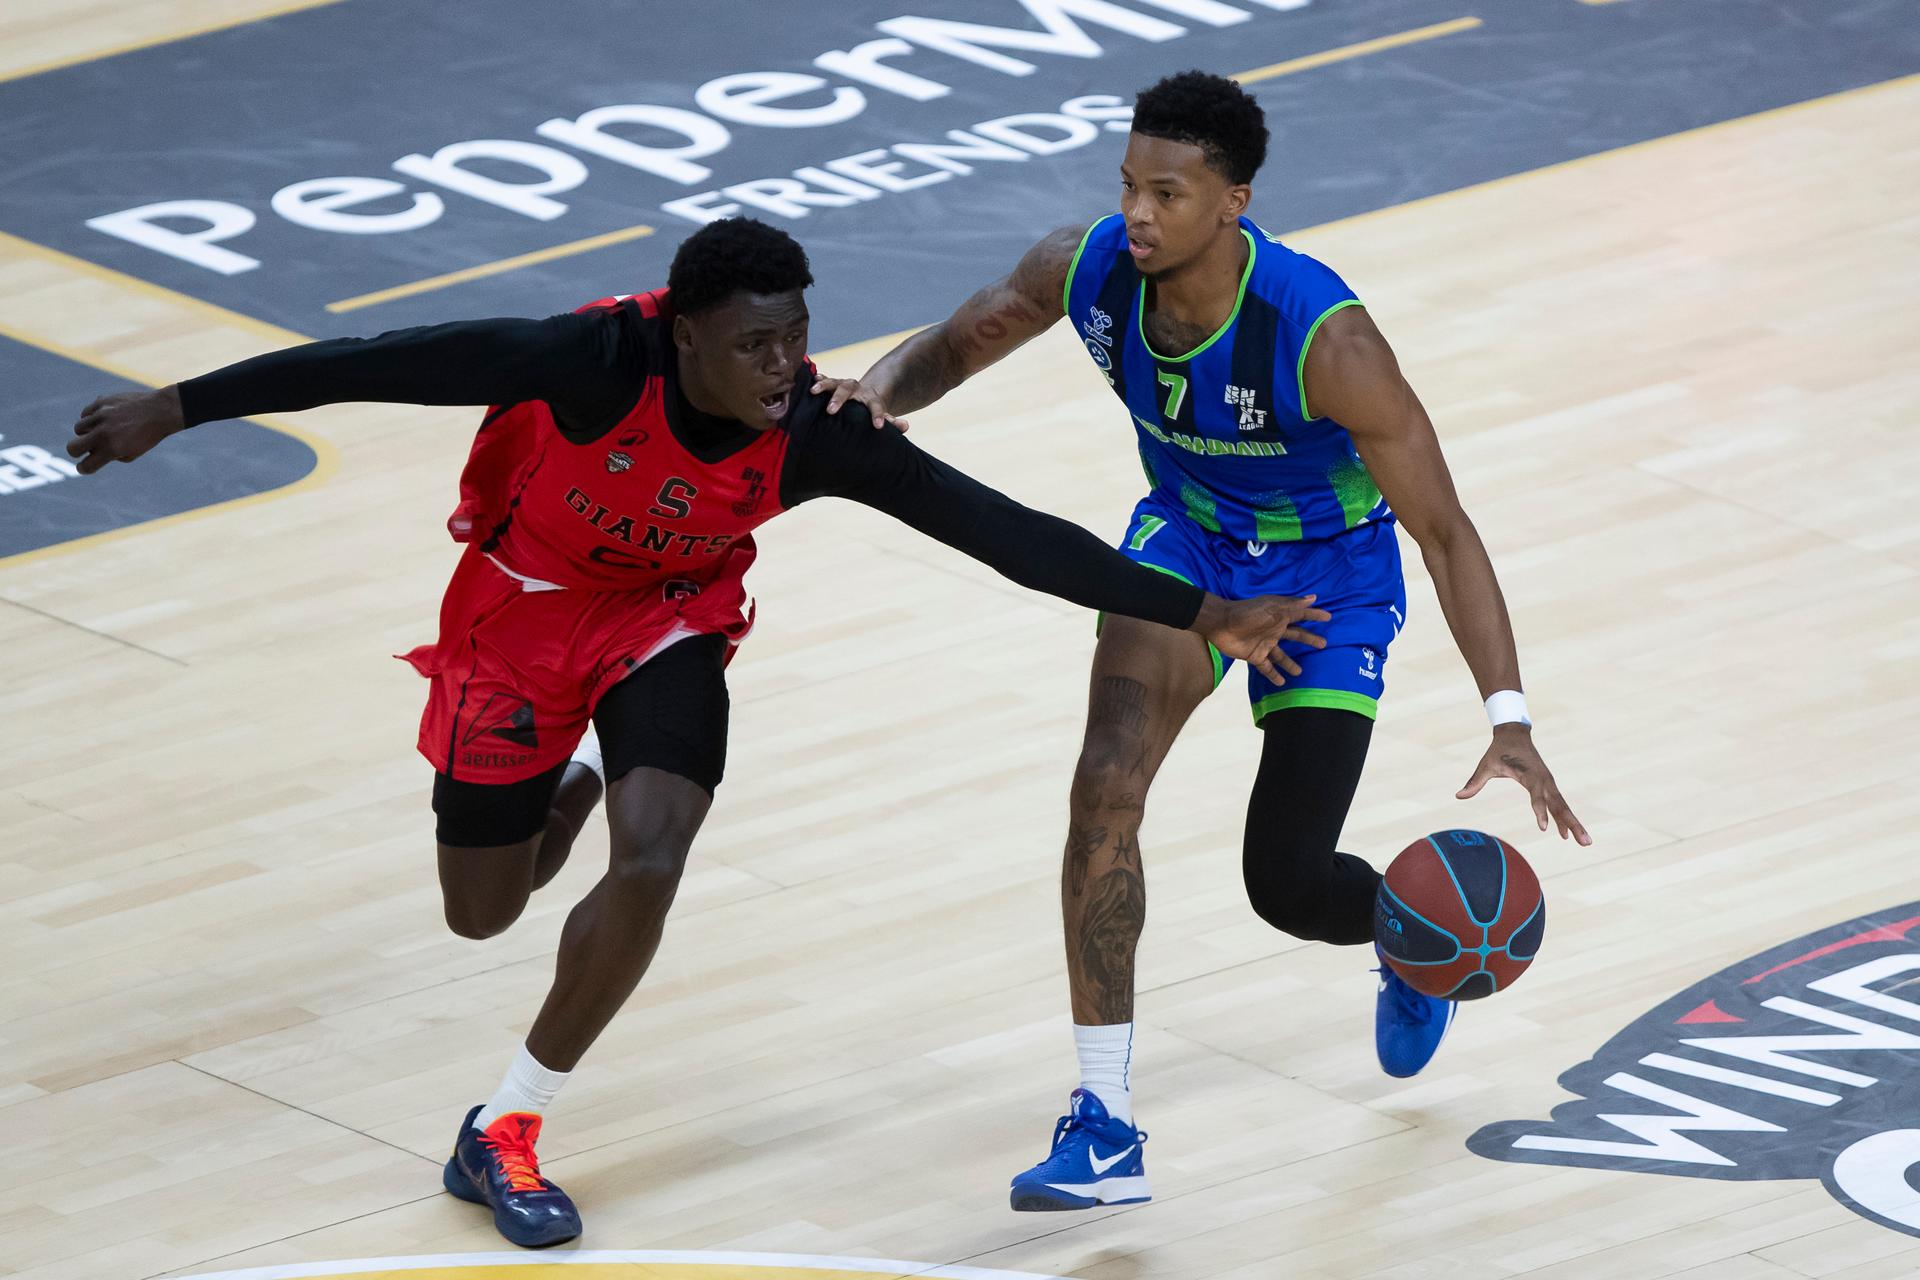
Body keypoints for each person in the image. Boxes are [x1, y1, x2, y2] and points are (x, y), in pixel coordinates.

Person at [67, 217, 1330, 1248]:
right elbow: (375, 359)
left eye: (797, 337)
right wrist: (180, 404)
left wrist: (1205, 607)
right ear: (684, 337)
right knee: (482, 910)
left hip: (665, 623)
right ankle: (560, 781)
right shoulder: (584, 363)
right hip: (520, 618)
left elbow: (1006, 535)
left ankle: (505, 1125)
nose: (784, 367)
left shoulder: (820, 436)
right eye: (753, 345)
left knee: (657, 852)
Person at [814, 71, 1591, 1212]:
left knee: (1281, 882)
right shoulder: (1086, 268)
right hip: (1185, 547)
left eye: (1166, 194)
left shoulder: (1327, 338)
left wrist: (1508, 716)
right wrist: (879, 391)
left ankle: (1400, 930)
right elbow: (966, 336)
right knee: (1103, 789)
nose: (1136, 213)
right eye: (1129, 184)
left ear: (1233, 202)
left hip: (1329, 579)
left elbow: (1442, 528)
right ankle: (1105, 1122)